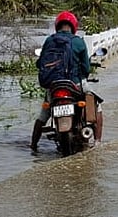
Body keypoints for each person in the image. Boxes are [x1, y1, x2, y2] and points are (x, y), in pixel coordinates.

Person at [30, 11, 103, 150]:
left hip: (53, 86)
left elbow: (40, 64)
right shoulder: (78, 42)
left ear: (57, 25)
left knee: (43, 114)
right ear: (73, 26)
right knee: (96, 105)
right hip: (74, 84)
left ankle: (33, 145)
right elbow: (86, 69)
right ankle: (98, 142)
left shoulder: (50, 40)